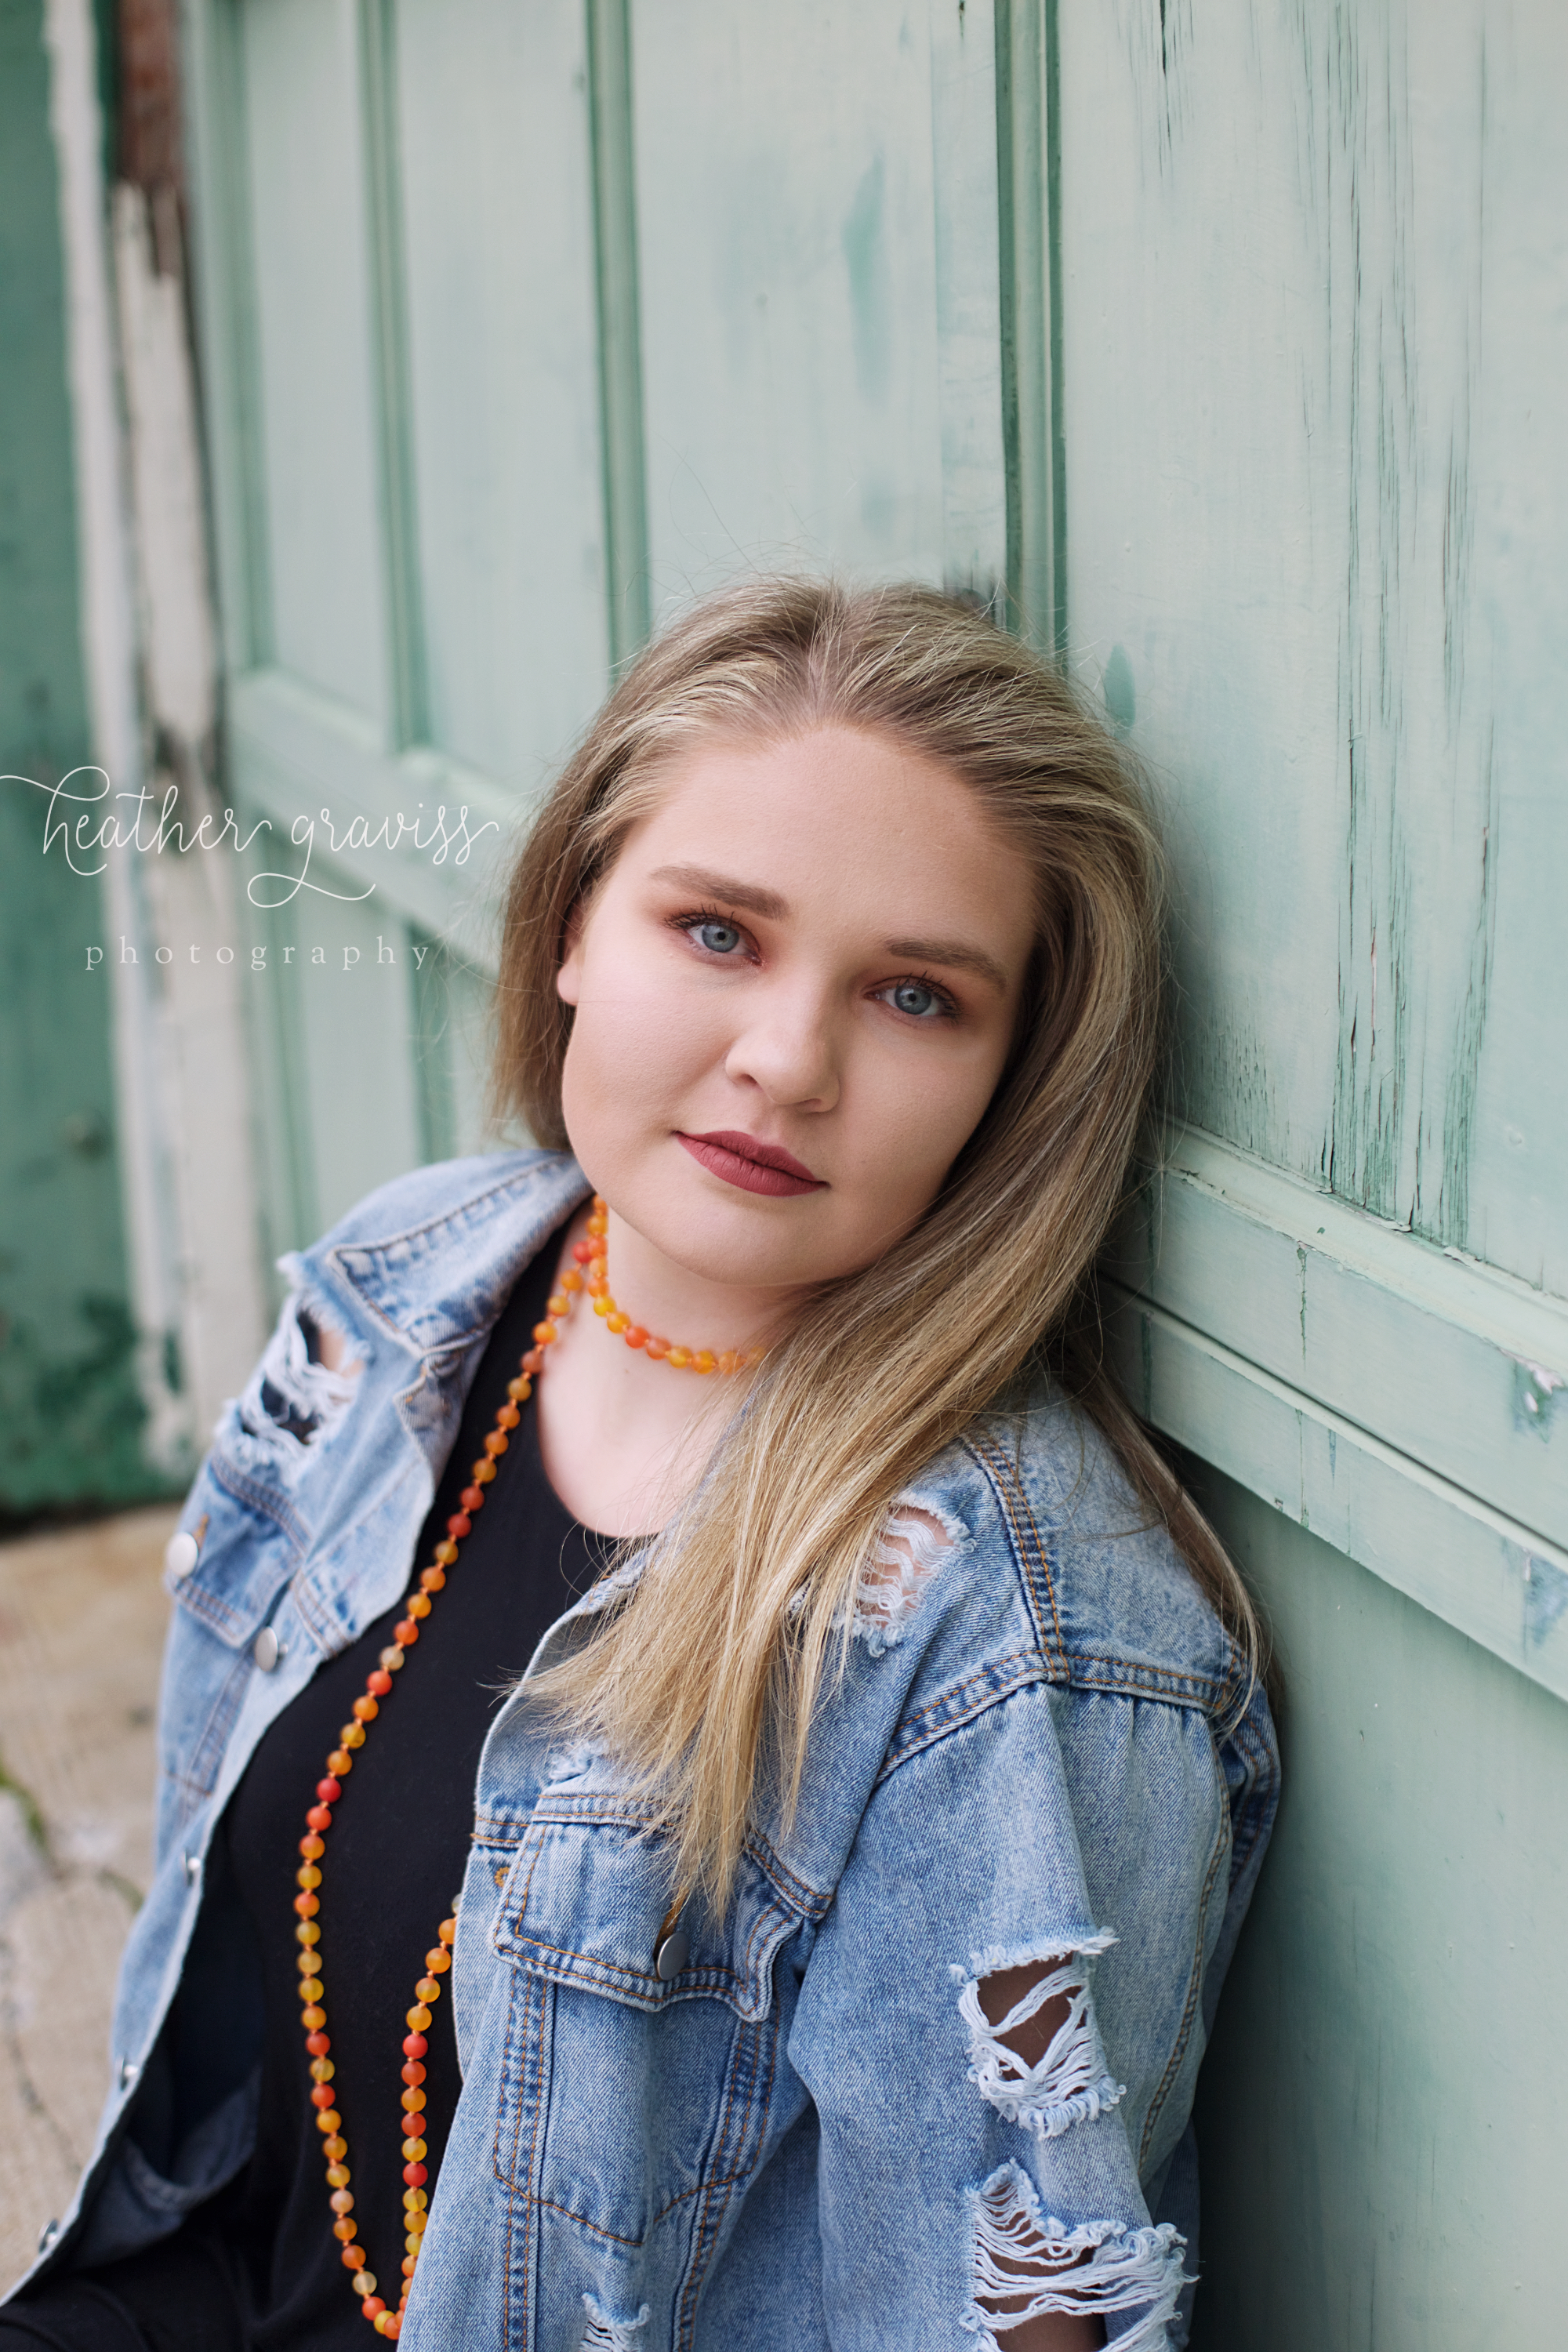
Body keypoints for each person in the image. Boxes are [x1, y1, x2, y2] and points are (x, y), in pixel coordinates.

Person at [3, 581, 1278, 2352]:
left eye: (916, 994)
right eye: (716, 933)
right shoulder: (417, 1286)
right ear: (572, 928)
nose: (785, 1060)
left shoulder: (1000, 1636)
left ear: (1012, 1083)